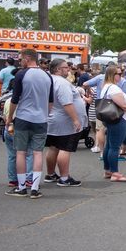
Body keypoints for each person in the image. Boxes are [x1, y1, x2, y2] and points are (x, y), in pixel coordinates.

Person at [5, 48, 54, 199]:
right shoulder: (47, 76)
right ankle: (34, 187)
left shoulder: (21, 74)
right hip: (41, 119)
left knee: (21, 152)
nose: (20, 62)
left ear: (27, 59)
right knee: (37, 152)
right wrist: (45, 114)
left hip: (23, 118)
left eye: (21, 59)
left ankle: (21, 187)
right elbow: (50, 102)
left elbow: (15, 99)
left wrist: (9, 117)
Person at [42, 59, 84, 187]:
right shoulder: (62, 82)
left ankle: (50, 174)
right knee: (65, 148)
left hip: (53, 119)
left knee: (53, 147)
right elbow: (67, 103)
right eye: (66, 67)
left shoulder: (49, 80)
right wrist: (76, 119)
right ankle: (64, 178)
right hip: (64, 121)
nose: (68, 69)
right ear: (58, 69)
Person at [97, 64, 126, 182]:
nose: (121, 75)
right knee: (115, 147)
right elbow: (122, 104)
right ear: (113, 75)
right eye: (119, 74)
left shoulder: (106, 86)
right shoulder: (113, 88)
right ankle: (115, 172)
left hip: (111, 119)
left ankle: (108, 170)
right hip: (118, 119)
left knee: (110, 145)